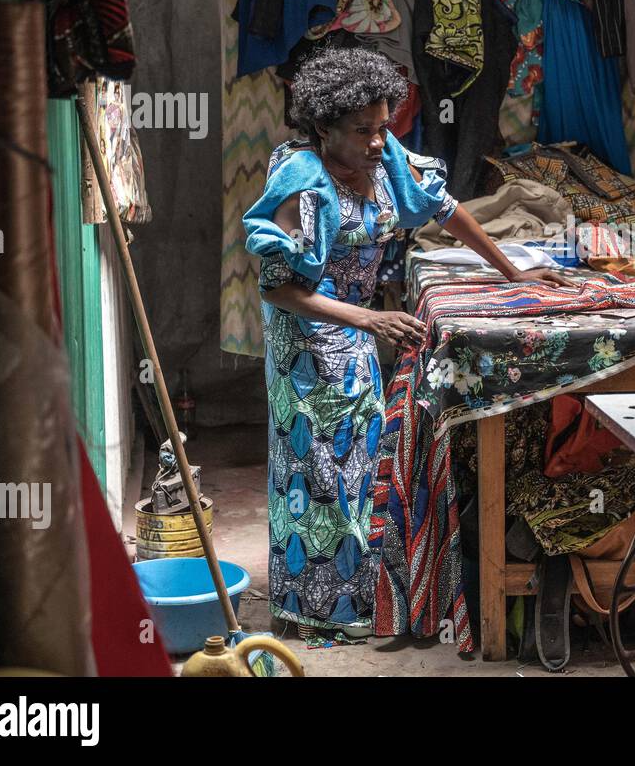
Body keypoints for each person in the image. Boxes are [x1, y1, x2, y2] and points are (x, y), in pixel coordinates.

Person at [243, 47, 569, 639]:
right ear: (322, 127)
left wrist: (511, 272)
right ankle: (320, 611)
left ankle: (367, 599)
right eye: (362, 130)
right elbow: (281, 291)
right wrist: (370, 320)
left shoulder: (384, 158)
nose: (377, 140)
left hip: (359, 333)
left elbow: (448, 212)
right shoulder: (300, 180)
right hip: (307, 344)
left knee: (363, 465)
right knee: (317, 472)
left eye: (383, 125)